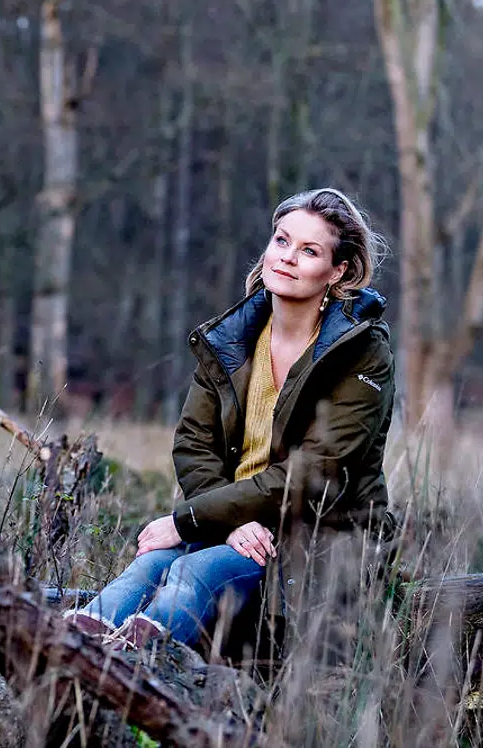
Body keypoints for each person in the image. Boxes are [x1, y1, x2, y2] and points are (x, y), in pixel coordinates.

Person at [66, 187, 396, 652]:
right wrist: (225, 523)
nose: (287, 258)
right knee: (148, 565)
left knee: (192, 568)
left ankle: (137, 661)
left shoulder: (362, 353)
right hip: (232, 525)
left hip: (314, 542)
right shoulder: (233, 340)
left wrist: (191, 520)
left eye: (309, 251)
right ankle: (74, 640)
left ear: (337, 271)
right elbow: (193, 444)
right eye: (281, 241)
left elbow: (313, 474)